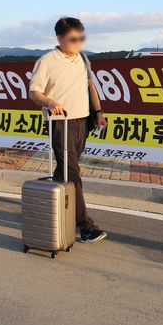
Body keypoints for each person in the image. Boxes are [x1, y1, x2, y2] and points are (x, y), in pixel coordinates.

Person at [29, 17, 108, 243]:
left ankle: (47, 207)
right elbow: (34, 92)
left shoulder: (83, 58)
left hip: (82, 121)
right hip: (61, 124)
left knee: (63, 174)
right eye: (73, 39)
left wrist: (99, 112)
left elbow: (89, 85)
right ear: (59, 38)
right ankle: (85, 227)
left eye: (81, 38)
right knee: (73, 176)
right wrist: (51, 102)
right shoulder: (47, 61)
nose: (78, 43)